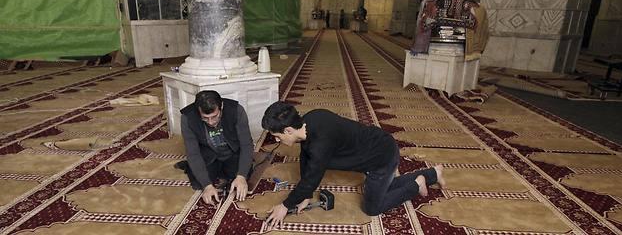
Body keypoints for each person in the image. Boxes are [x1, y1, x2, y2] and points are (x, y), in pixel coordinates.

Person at [261, 102, 445, 230]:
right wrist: (306, 196)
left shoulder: (320, 145)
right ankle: (432, 174)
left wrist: (285, 206)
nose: (277, 140)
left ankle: (416, 184)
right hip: (377, 143)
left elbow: (311, 178)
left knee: (372, 208)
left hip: (382, 159)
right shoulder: (310, 119)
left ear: (288, 130)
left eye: (277, 136)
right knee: (379, 188)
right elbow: (305, 157)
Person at [175, 90, 253, 205]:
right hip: (208, 154)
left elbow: (246, 145)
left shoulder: (236, 110)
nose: (211, 122)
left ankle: (224, 171)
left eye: (214, 116)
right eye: (205, 118)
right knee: (198, 183)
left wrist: (241, 176)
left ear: (221, 106)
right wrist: (207, 185)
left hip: (232, 153)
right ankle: (190, 166)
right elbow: (193, 153)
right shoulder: (188, 117)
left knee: (244, 175)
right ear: (198, 111)